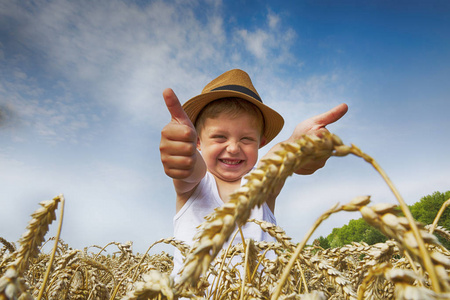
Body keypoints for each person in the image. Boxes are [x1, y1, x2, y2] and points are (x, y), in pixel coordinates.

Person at [159, 69, 348, 279]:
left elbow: (275, 159)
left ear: (261, 143)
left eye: (246, 139)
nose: (232, 148)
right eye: (220, 137)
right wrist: (184, 157)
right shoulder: (194, 185)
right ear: (197, 142)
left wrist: (296, 145)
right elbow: (190, 171)